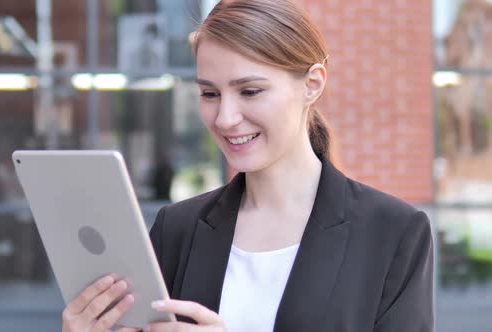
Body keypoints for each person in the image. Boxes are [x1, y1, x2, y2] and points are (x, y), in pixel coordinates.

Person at [61, 0, 434, 331]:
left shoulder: (394, 232)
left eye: (250, 91)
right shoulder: (176, 229)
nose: (224, 118)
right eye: (209, 94)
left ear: (312, 84)